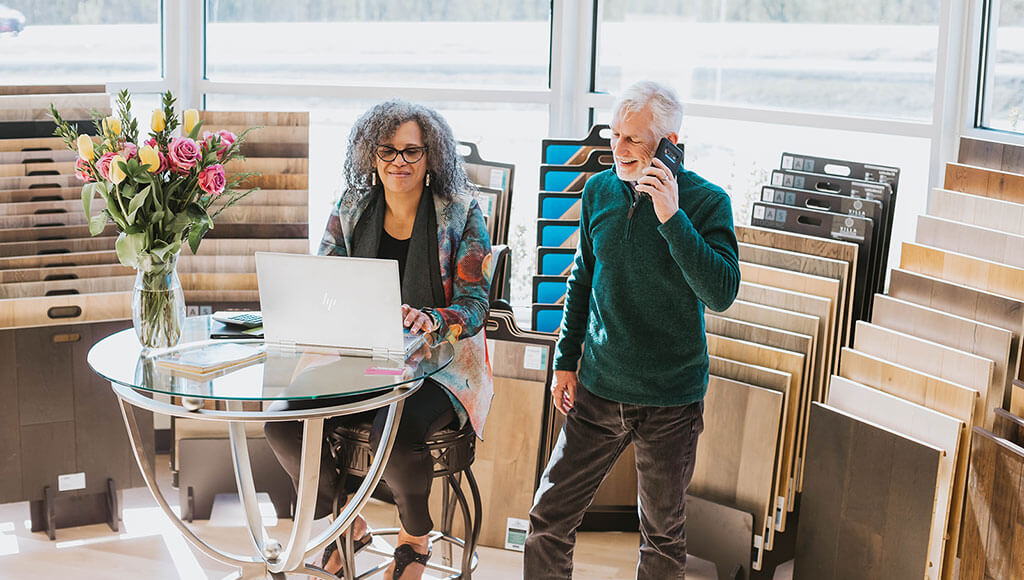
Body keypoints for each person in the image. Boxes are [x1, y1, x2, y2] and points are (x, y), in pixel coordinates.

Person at [264, 100, 493, 580]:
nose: (399, 163)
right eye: (387, 151)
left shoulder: (463, 214)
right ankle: (343, 526)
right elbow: (321, 284)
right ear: (370, 156)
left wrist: (431, 317)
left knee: (400, 428)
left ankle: (414, 543)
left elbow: (476, 307)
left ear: (433, 157)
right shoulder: (349, 209)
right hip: (359, 356)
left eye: (412, 152)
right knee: (283, 422)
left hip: (438, 364)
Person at [523, 81, 740, 579]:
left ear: (671, 144)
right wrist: (565, 361)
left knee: (662, 538)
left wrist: (671, 216)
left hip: (670, 400)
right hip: (598, 388)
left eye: (634, 140)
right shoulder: (599, 190)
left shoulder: (708, 203)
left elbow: (721, 292)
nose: (618, 151)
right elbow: (581, 279)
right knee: (548, 518)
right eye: (615, 136)